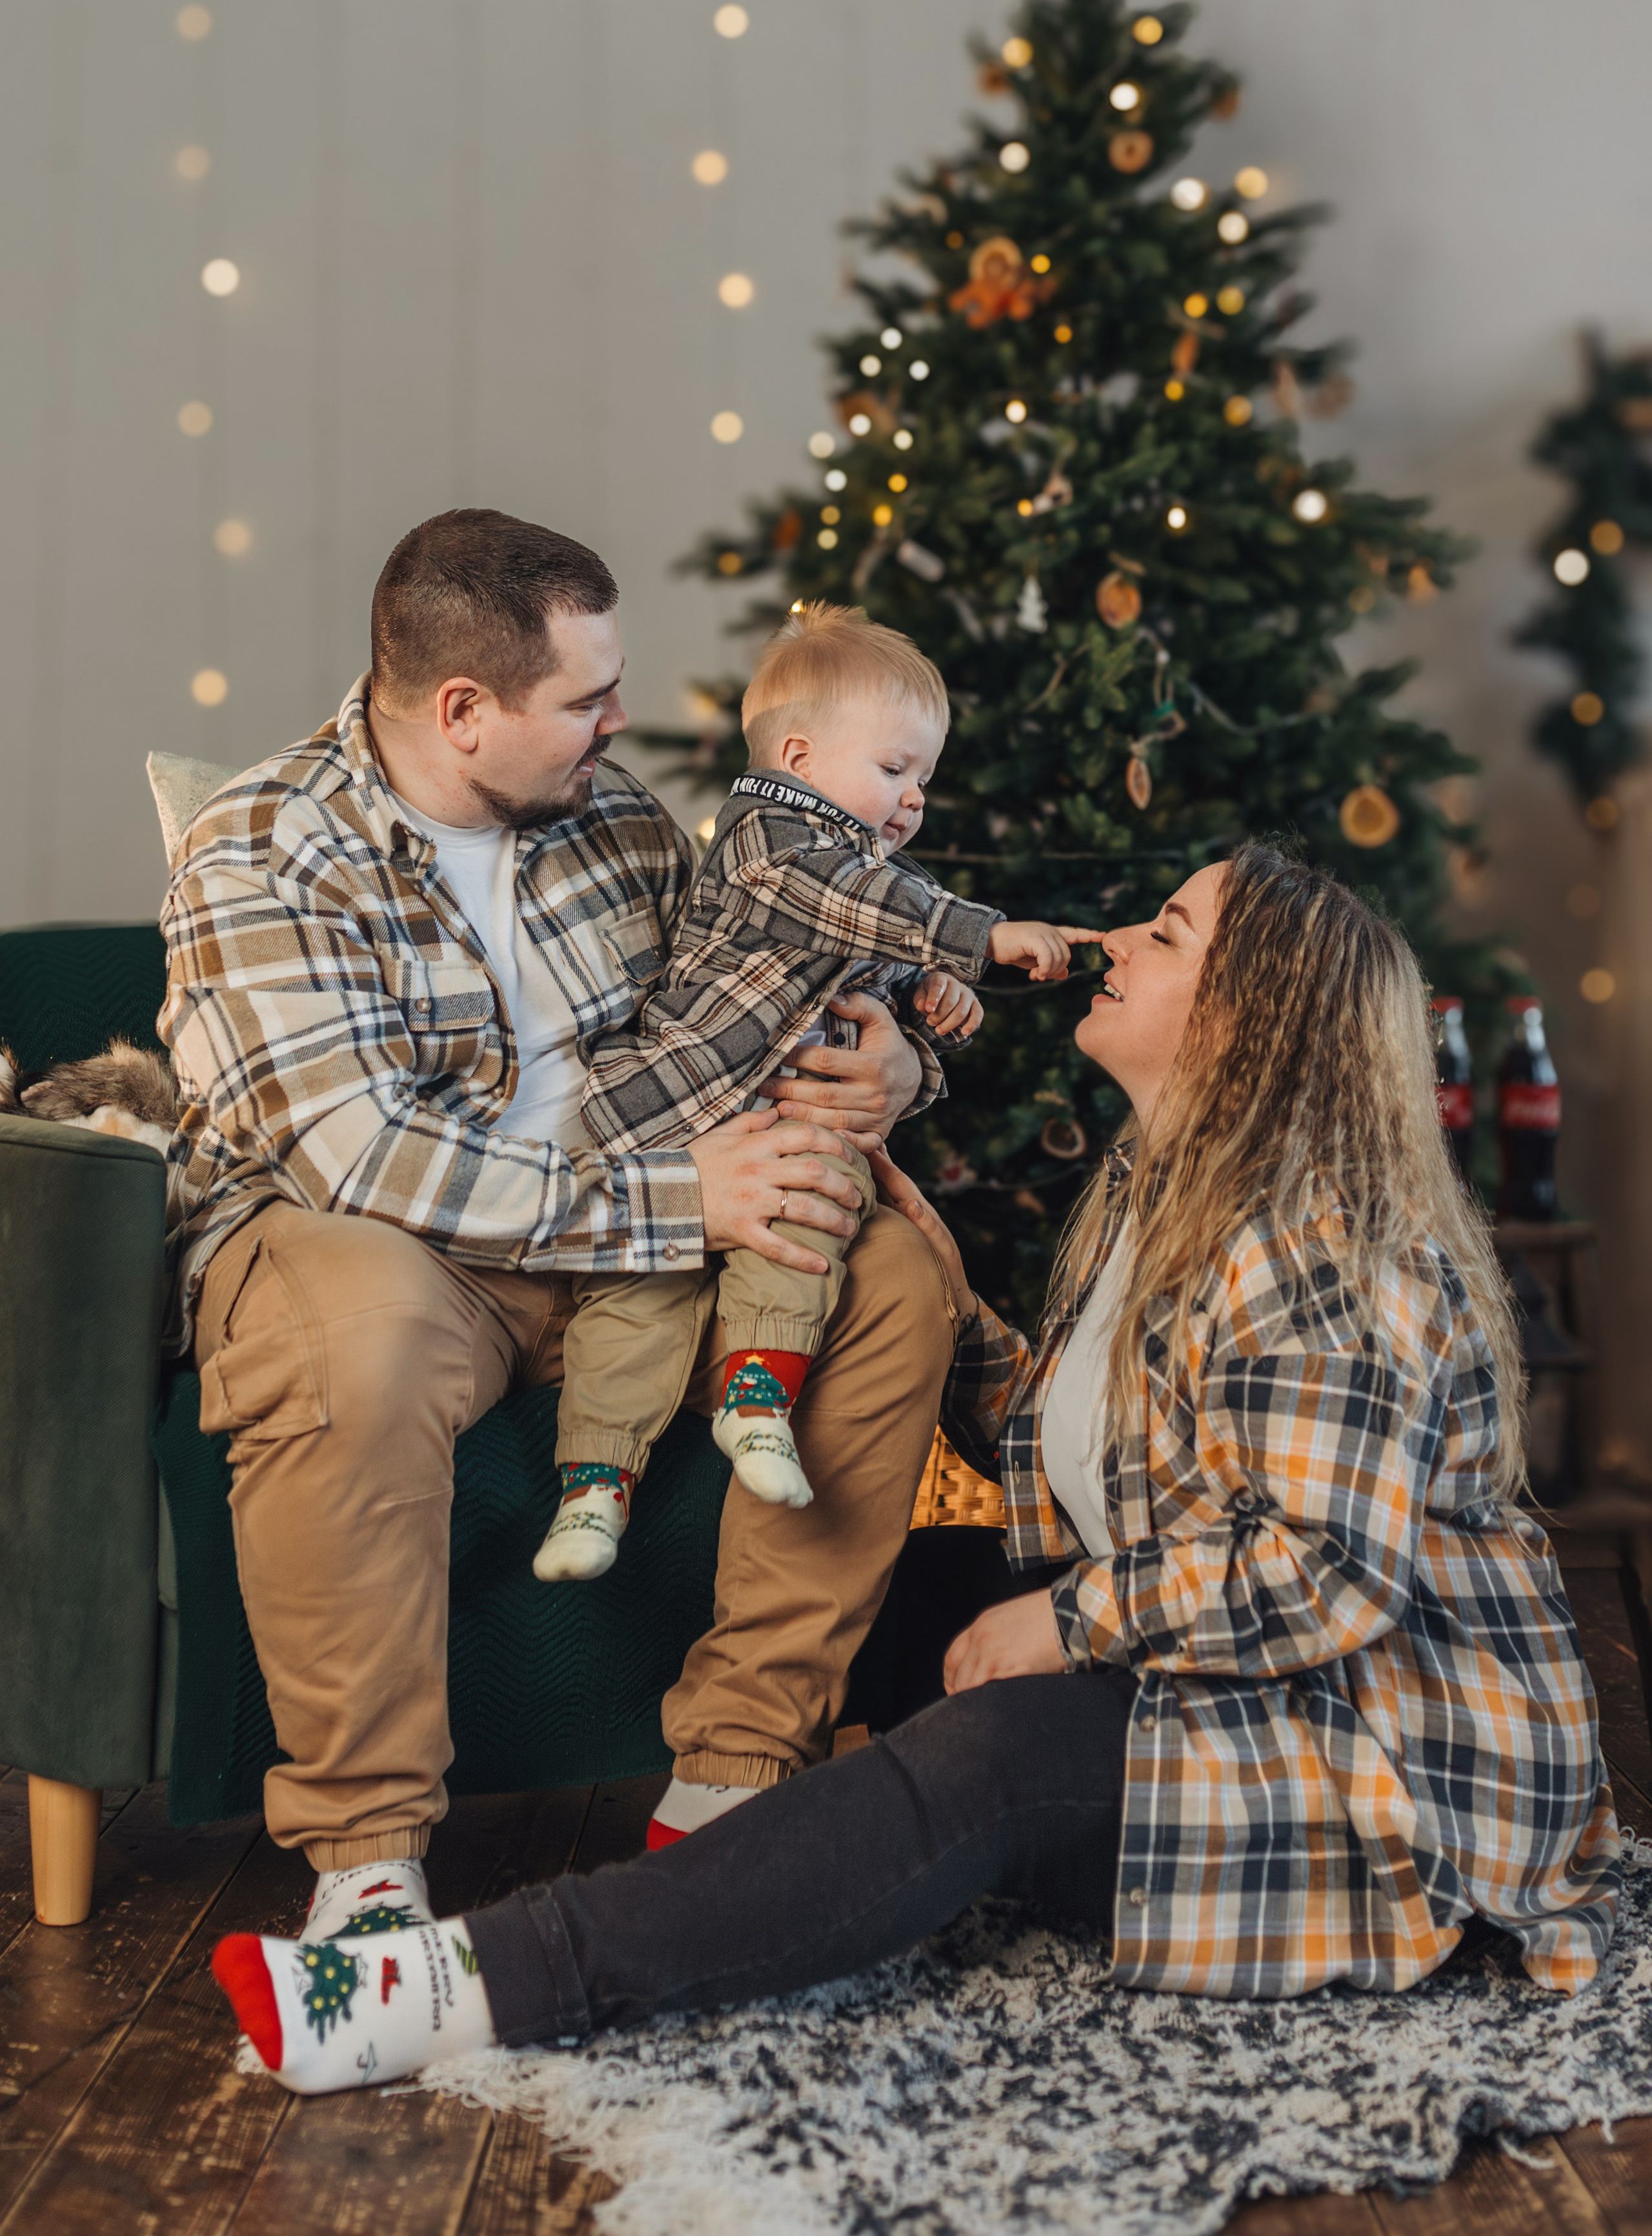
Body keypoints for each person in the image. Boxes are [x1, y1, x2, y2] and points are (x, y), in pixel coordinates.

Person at [210, 841, 1620, 2093]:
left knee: (994, 1754)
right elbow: (1105, 1478)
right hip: (1222, 1671)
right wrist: (955, 1315)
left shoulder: (1326, 1248)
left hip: (1371, 1759)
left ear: (1253, 1020)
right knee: (863, 1583)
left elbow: (1319, 1576)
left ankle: (453, 1985)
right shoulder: (1154, 1191)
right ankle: (719, 1864)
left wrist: (1061, 1620)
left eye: (1167, 936)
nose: (1112, 942)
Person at [162, 507, 963, 1941]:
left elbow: (759, 995)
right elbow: (366, 1160)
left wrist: (890, 1063)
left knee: (889, 1274)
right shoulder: (264, 848)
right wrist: (685, 1203)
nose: (622, 719)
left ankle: (727, 1785)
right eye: (586, 698)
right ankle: (367, 1861)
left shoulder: (613, 819)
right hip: (396, 1251)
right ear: (462, 711)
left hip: (635, 1225)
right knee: (361, 1317)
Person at [536, 601, 1102, 1581]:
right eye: (894, 769)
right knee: (639, 1304)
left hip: (785, 1141)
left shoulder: (871, 873)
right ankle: (595, 1484)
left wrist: (927, 1004)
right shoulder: (768, 842)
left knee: (805, 1248)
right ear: (798, 756)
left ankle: (759, 1401)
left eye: (924, 776)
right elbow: (857, 904)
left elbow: (872, 956)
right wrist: (985, 937)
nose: (915, 798)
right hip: (677, 1122)